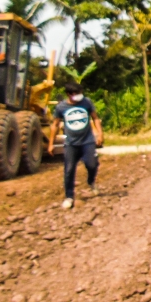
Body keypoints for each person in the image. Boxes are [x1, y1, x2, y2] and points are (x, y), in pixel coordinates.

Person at [47, 81, 104, 209]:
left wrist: (100, 134)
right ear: (68, 94)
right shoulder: (61, 107)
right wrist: (51, 144)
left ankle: (91, 181)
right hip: (71, 143)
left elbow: (95, 118)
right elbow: (55, 125)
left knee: (92, 164)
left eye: (80, 93)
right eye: (76, 94)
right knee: (69, 170)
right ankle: (69, 196)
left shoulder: (86, 102)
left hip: (87, 141)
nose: (79, 96)